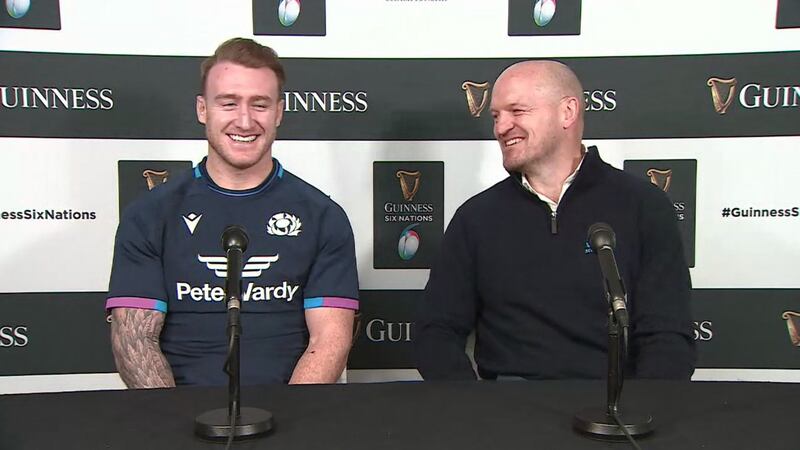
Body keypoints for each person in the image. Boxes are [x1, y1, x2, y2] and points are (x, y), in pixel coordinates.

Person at [415, 60, 695, 381]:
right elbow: (435, 332)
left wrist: (640, 412)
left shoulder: (643, 206)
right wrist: (477, 407)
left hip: (614, 414)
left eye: (517, 112)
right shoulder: (476, 217)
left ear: (567, 112)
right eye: (496, 116)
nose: (501, 127)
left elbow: (668, 336)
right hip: (507, 415)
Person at [106, 38, 359, 387]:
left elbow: (328, 340)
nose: (245, 120)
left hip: (293, 417)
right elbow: (136, 341)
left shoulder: (323, 216)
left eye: (260, 104)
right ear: (202, 109)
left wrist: (291, 429)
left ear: (279, 113)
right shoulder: (149, 215)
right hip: (177, 421)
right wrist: (172, 426)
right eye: (228, 103)